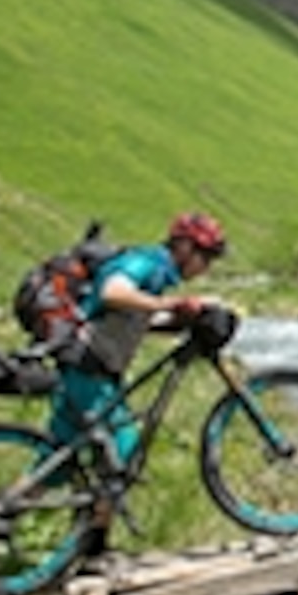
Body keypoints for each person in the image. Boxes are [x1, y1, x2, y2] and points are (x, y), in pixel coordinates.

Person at [48, 210, 229, 557]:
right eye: (204, 256)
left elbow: (133, 319)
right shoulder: (146, 261)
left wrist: (177, 319)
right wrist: (169, 303)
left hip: (89, 369)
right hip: (89, 368)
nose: (206, 266)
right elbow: (113, 292)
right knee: (122, 453)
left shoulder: (159, 275)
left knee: (56, 465)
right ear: (183, 247)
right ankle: (93, 550)